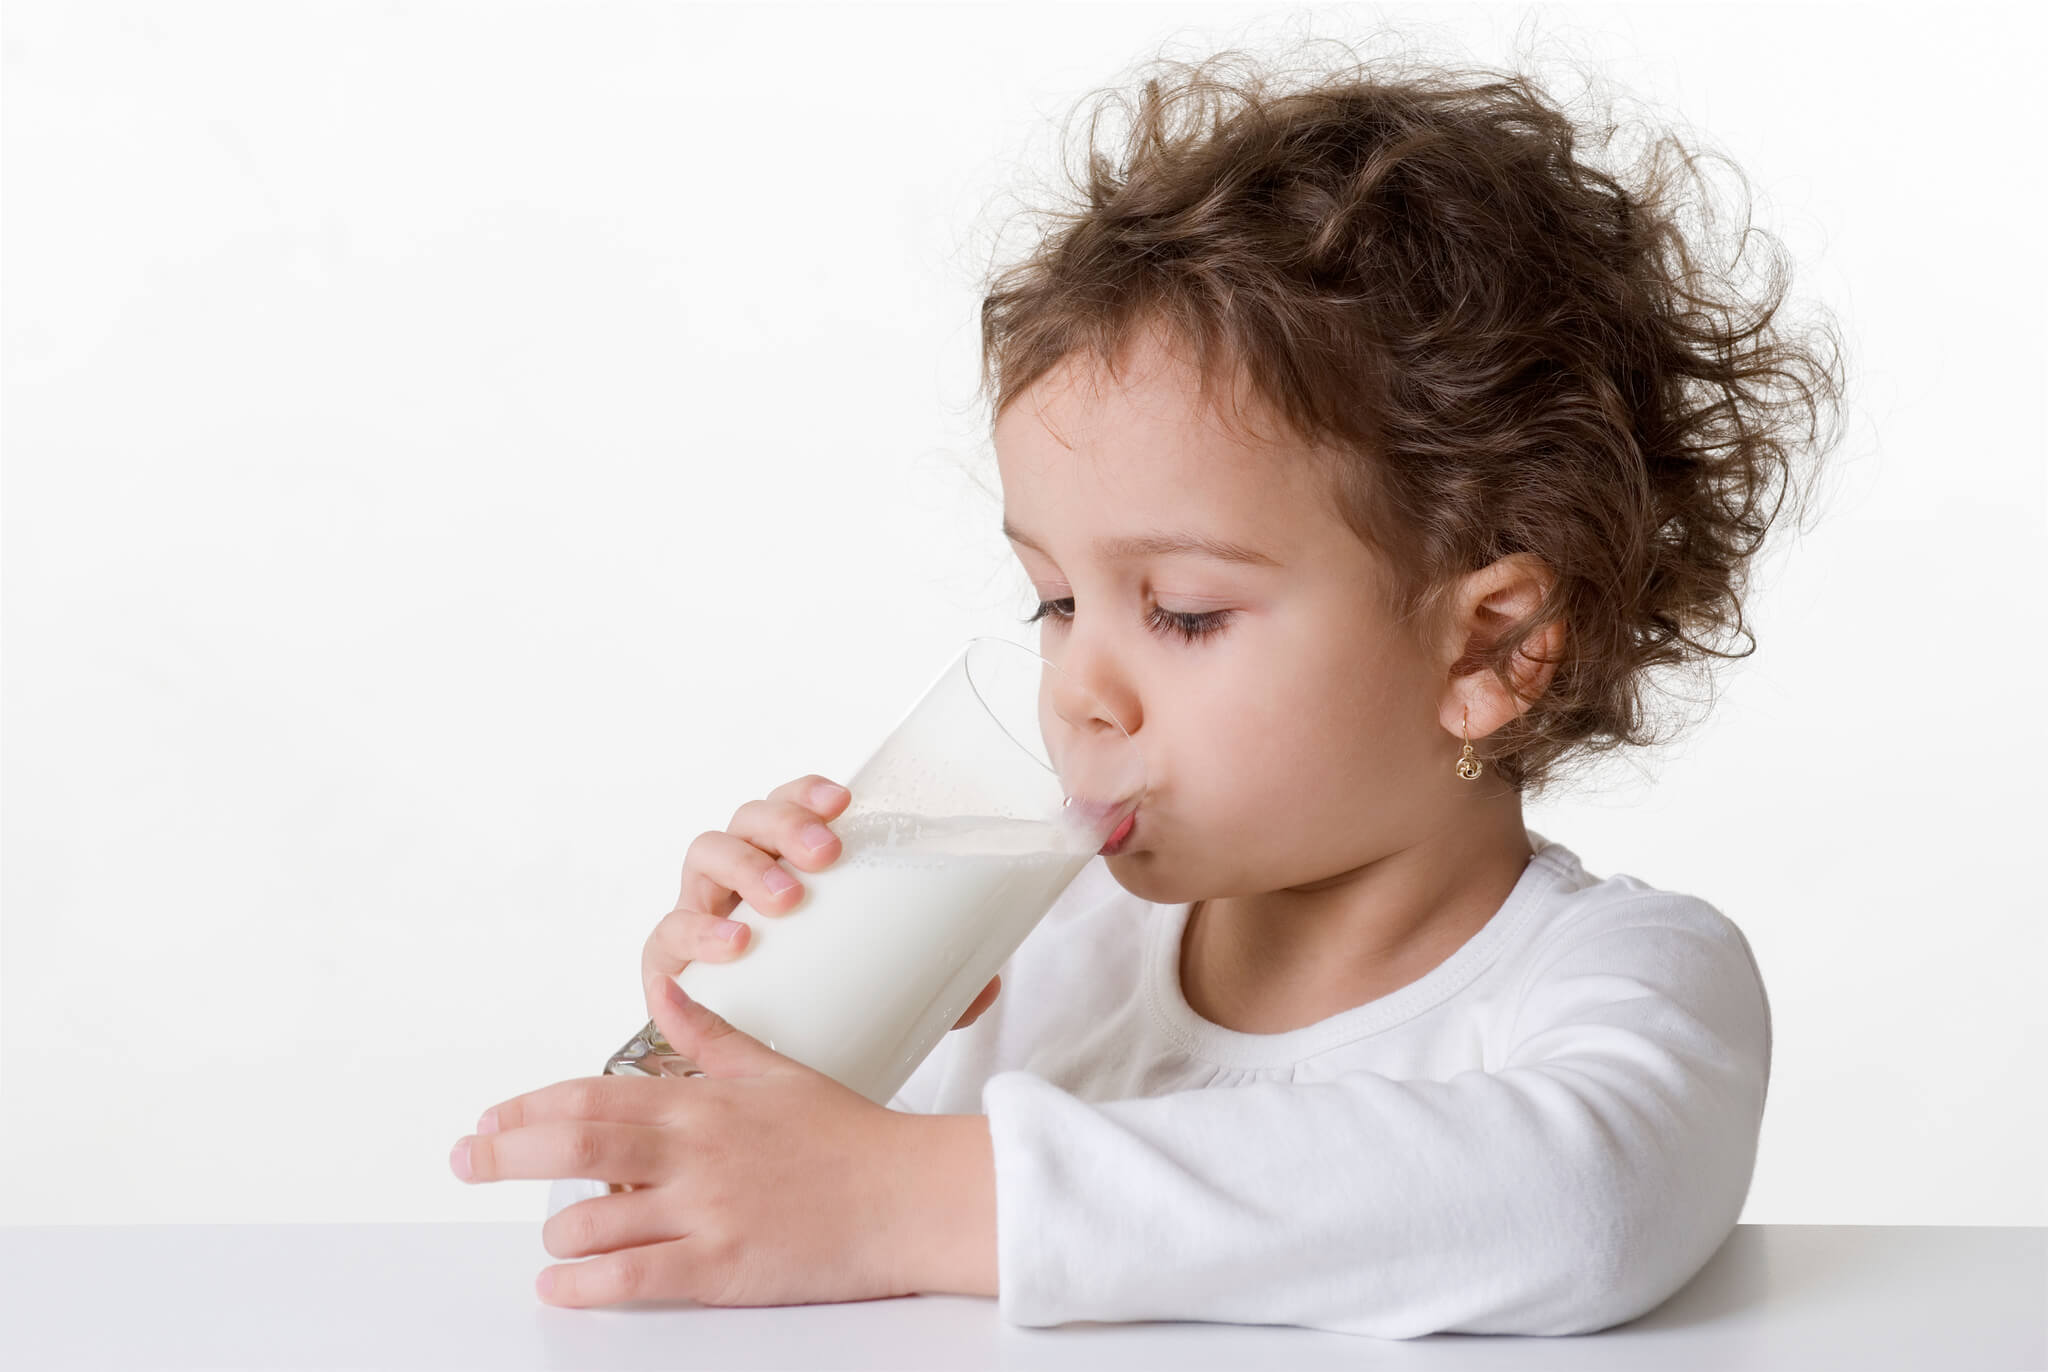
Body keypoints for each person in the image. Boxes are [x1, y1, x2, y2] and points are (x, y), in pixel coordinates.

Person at [459, 37, 1845, 1337]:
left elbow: (1576, 1208)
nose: (1080, 692)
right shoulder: (1034, 972)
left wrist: (907, 1196)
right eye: (1056, 602)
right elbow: (651, 1233)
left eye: (1180, 614)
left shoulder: (1616, 986)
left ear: (1488, 651)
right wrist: (750, 1025)